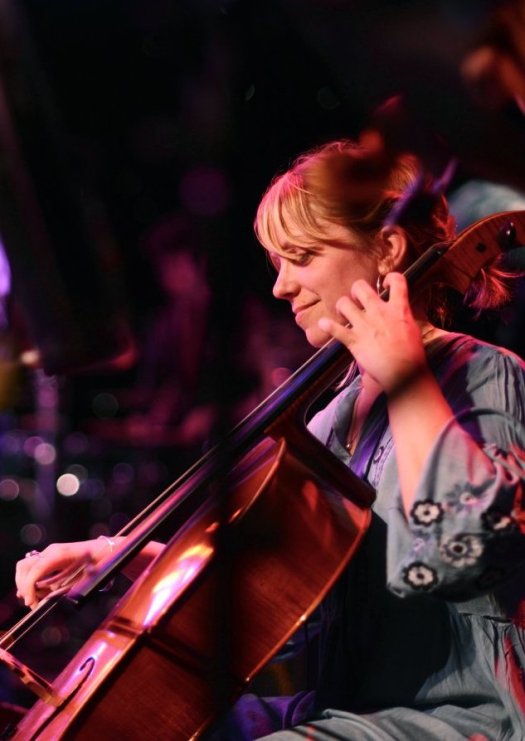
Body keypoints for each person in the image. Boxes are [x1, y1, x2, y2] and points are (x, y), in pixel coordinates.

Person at [14, 139, 525, 740]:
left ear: (387, 249)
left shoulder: (484, 374)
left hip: (460, 717)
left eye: (301, 256)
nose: (281, 286)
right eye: (276, 263)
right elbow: (276, 602)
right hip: (343, 708)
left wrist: (407, 381)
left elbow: (462, 555)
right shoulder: (331, 418)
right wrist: (118, 558)